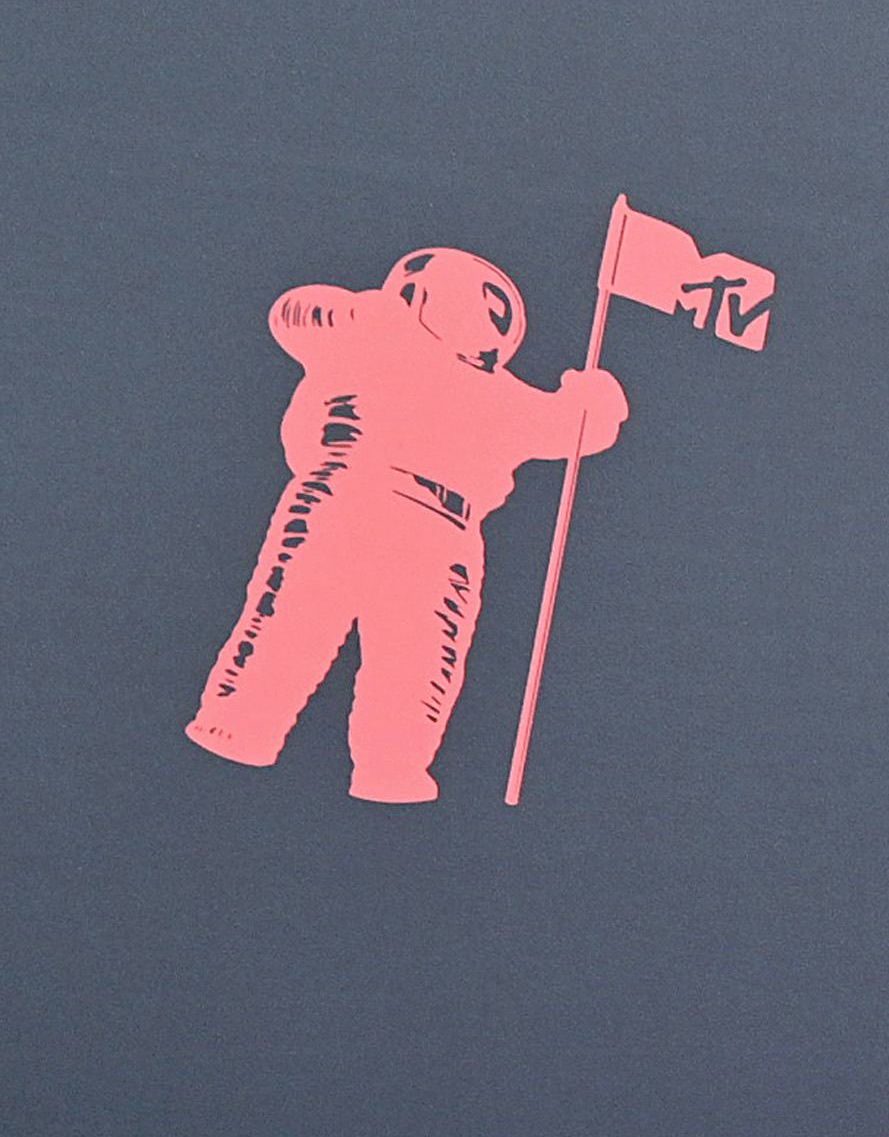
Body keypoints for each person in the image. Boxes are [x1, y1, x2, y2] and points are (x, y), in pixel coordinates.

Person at [186, 249, 627, 805]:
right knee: (294, 615)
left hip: (445, 529)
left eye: (500, 309)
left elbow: (569, 429)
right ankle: (239, 722)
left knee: (420, 659)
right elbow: (292, 313)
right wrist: (365, 316)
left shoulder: (502, 394)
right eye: (482, 299)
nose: (492, 316)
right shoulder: (371, 335)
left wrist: (595, 404)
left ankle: (393, 767)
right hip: (350, 489)